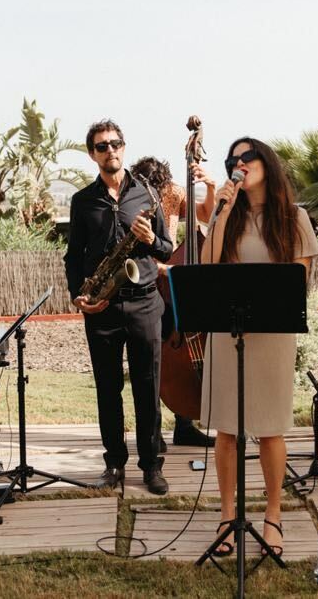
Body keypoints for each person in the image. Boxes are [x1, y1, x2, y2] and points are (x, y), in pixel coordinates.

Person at [200, 137, 318, 557]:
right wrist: (223, 208)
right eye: (232, 159)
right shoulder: (225, 215)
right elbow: (207, 266)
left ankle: (273, 516)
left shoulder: (293, 217)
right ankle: (226, 517)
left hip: (271, 334)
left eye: (247, 156)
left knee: (270, 428)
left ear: (266, 162)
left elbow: (298, 283)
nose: (239, 164)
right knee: (227, 431)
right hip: (227, 333)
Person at [64, 120, 174, 495]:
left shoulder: (147, 194)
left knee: (148, 387)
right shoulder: (82, 202)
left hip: (144, 303)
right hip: (102, 307)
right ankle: (114, 464)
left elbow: (166, 250)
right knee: (107, 390)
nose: (110, 150)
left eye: (115, 143)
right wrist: (78, 294)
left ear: (124, 147)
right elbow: (72, 257)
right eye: (101, 146)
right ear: (92, 154)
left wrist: (151, 237)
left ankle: (151, 466)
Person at [128, 155, 216, 449]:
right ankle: (153, 430)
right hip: (144, 280)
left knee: (182, 350)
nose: (157, 195)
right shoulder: (131, 199)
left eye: (161, 190)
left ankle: (184, 425)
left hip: (172, 280)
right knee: (152, 356)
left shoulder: (175, 191)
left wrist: (210, 186)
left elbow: (205, 213)